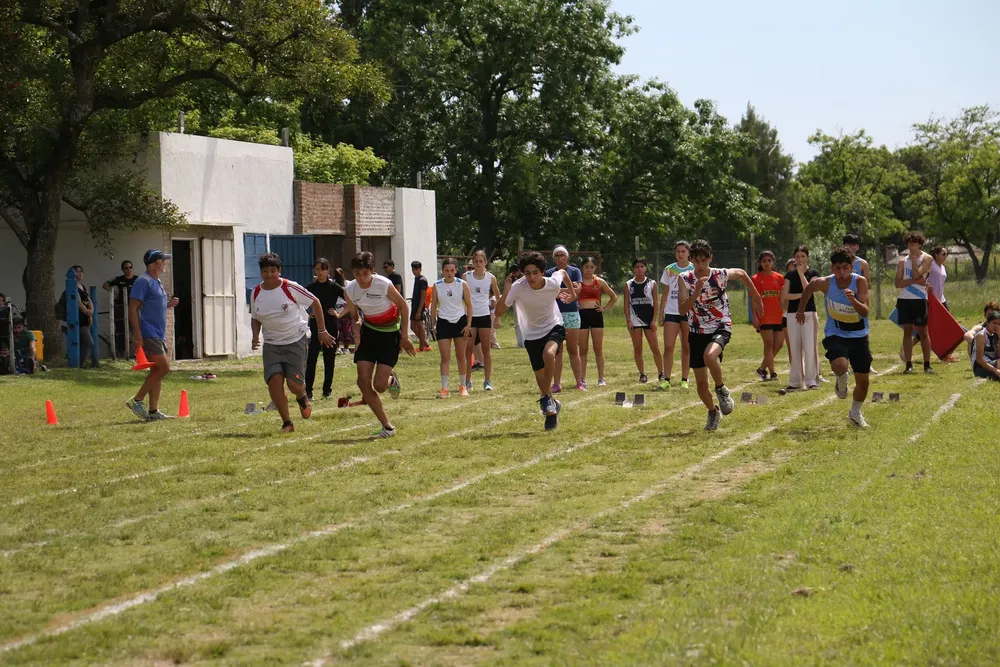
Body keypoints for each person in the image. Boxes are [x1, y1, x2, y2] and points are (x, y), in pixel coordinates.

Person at [677, 239, 763, 431]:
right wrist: (696, 293)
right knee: (700, 385)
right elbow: (682, 309)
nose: (700, 265)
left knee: (710, 356)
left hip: (720, 325)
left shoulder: (719, 275)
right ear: (691, 260)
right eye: (696, 261)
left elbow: (741, 273)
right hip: (696, 330)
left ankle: (721, 389)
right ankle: (713, 411)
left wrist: (756, 297)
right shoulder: (685, 279)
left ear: (710, 259)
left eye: (704, 261)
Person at [252, 253, 334, 432]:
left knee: (294, 384)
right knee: (274, 381)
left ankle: (301, 396)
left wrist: (322, 330)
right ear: (261, 273)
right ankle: (287, 422)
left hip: (296, 339)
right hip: (272, 343)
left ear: (279, 271)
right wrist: (255, 336)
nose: (269, 275)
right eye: (265, 271)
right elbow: (256, 317)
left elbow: (316, 302)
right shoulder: (256, 292)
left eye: (273, 271)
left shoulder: (290, 287)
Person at [496, 251, 577, 431]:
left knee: (549, 353)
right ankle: (551, 406)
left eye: (535, 272)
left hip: (553, 326)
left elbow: (563, 272)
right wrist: (506, 290)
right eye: (527, 273)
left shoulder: (552, 282)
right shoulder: (518, 286)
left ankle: (546, 401)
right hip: (531, 334)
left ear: (542, 272)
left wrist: (572, 294)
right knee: (541, 379)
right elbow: (499, 312)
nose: (531, 277)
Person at [798, 247, 873, 428]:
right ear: (832, 268)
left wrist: (853, 300)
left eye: (845, 268)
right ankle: (841, 378)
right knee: (840, 365)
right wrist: (801, 311)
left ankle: (855, 413)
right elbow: (808, 289)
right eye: (837, 268)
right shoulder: (825, 283)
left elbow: (865, 312)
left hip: (859, 335)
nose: (841, 272)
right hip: (836, 333)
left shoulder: (860, 282)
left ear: (851, 267)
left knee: (863, 382)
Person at [344, 251, 416, 438]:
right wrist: (357, 333)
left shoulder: (383, 284)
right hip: (369, 333)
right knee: (362, 381)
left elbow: (403, 305)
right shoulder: (350, 289)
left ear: (372, 271)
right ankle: (388, 427)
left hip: (390, 335)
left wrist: (405, 336)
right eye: (357, 274)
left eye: (365, 274)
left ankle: (391, 380)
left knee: (380, 385)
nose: (361, 278)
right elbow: (354, 316)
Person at [126, 250, 180, 421]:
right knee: (164, 367)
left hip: (158, 333)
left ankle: (153, 411)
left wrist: (168, 305)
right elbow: (132, 308)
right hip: (148, 333)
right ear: (157, 263)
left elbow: (153, 306)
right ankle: (137, 400)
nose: (165, 264)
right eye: (164, 261)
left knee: (156, 370)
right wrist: (137, 334)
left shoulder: (156, 282)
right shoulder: (143, 281)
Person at [781, 246, 821, 393]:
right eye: (797, 256)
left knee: (810, 347)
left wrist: (801, 274)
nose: (800, 259)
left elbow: (810, 290)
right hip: (792, 314)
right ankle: (796, 381)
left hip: (809, 313)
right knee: (795, 347)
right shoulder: (789, 275)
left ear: (807, 257)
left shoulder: (814, 273)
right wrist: (801, 295)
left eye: (803, 256)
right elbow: (785, 296)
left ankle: (812, 381)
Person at [432, 258, 473, 398]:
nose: (449, 273)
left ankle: (463, 386)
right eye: (446, 270)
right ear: (442, 271)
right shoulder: (437, 285)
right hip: (443, 321)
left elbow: (469, 305)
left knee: (461, 356)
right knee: (445, 357)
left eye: (452, 270)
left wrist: (468, 324)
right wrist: (433, 324)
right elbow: (433, 306)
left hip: (460, 321)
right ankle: (444, 388)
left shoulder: (462, 284)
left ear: (456, 270)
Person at [895, 231, 935, 374]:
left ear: (920, 244)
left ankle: (927, 364)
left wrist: (913, 261)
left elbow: (918, 273)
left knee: (923, 332)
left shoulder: (927, 258)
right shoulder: (901, 261)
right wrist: (916, 281)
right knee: (907, 332)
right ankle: (909, 364)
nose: (912, 245)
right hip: (904, 299)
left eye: (915, 243)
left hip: (920, 299)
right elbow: (898, 283)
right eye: (909, 243)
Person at [545, 246, 584, 392]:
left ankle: (579, 382)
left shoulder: (575, 271)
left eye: (562, 255)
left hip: (572, 313)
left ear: (567, 257)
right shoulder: (549, 273)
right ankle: (556, 383)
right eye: (557, 256)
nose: (560, 258)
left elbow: (579, 290)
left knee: (574, 349)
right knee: (557, 351)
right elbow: (550, 292)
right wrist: (569, 289)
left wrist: (562, 291)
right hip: (555, 314)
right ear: (554, 258)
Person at [305, 258, 345, 400]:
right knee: (311, 358)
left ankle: (327, 390)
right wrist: (307, 313)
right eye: (317, 269)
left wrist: (339, 314)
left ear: (328, 270)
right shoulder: (310, 287)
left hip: (331, 324)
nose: (320, 272)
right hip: (315, 325)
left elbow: (351, 300)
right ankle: (308, 391)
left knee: (329, 358)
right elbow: (299, 302)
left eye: (322, 269)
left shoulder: (334, 286)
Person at [463, 250, 501, 391]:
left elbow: (498, 296)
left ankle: (487, 381)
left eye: (481, 261)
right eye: (476, 261)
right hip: (470, 317)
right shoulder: (466, 277)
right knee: (468, 349)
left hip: (485, 316)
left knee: (486, 350)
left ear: (485, 262)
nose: (478, 264)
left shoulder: (491, 278)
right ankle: (467, 380)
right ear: (473, 262)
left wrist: (497, 316)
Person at [577, 256, 617, 387]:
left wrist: (605, 308)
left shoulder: (599, 281)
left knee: (598, 348)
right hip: (582, 315)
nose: (589, 270)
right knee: (583, 350)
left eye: (591, 267)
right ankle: (582, 379)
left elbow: (613, 297)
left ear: (595, 268)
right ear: (582, 268)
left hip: (596, 314)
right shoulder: (577, 282)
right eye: (586, 267)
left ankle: (601, 378)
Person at [624, 258, 665, 385]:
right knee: (638, 348)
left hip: (649, 320)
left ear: (645, 268)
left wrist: (654, 320)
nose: (639, 269)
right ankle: (642, 374)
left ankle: (661, 372)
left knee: (655, 348)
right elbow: (626, 304)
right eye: (637, 267)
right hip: (635, 320)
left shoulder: (652, 283)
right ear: (633, 269)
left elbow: (656, 304)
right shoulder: (629, 284)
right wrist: (628, 321)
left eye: (642, 266)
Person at [660, 240, 694, 389]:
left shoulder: (694, 269)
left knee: (686, 346)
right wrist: (661, 312)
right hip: (671, 312)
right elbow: (666, 292)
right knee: (668, 346)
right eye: (678, 251)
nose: (680, 254)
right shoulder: (669, 269)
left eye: (683, 251)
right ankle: (666, 379)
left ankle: (684, 379)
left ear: (688, 253)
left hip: (688, 312)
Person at [751, 250, 786, 382]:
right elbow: (754, 300)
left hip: (779, 316)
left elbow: (784, 296)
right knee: (769, 344)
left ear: (773, 262)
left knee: (779, 345)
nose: (767, 263)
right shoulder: (756, 279)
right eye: (764, 261)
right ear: (760, 263)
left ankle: (761, 369)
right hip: (764, 316)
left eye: (769, 261)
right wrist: (755, 316)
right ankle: (773, 373)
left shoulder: (779, 278)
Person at [102, 260, 137, 357]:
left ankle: (136, 352)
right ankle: (122, 352)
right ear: (123, 269)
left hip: (134, 308)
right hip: (121, 308)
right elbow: (105, 285)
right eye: (126, 268)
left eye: (130, 267)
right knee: (121, 330)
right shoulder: (119, 279)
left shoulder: (137, 279)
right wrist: (114, 293)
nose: (129, 270)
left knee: (135, 329)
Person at [61, 265, 95, 366]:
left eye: (81, 271)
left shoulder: (82, 287)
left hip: (85, 318)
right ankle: (79, 364)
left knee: (81, 343)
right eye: (77, 272)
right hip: (77, 319)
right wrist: (87, 312)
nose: (79, 274)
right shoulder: (72, 287)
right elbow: (78, 303)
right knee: (89, 343)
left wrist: (91, 312)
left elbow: (89, 301)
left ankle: (76, 362)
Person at [970, 310, 1000, 381]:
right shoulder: (982, 335)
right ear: (987, 323)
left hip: (992, 363)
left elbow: (998, 354)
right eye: (994, 323)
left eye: (999, 324)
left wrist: (999, 337)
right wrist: (995, 370)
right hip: (980, 368)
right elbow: (979, 359)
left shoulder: (994, 335)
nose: (997, 326)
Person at [410, 261, 432, 352]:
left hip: (419, 306)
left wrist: (419, 311)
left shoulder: (422, 280)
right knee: (412, 326)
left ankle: (422, 347)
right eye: (413, 269)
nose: (414, 271)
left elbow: (423, 297)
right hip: (414, 305)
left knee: (419, 325)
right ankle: (425, 343)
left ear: (420, 269)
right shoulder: (417, 279)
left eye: (416, 269)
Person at [333, 268, 354, 355]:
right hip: (336, 310)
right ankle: (337, 347)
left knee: (347, 331)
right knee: (336, 331)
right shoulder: (333, 283)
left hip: (346, 311)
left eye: (339, 273)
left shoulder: (348, 284)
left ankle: (346, 348)